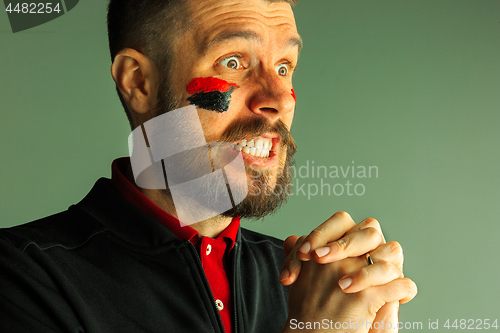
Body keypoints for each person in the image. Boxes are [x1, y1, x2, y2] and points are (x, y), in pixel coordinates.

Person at [0, 0, 417, 332]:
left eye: (284, 67)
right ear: (138, 83)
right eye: (233, 62)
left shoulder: (311, 282)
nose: (280, 99)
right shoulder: (22, 277)